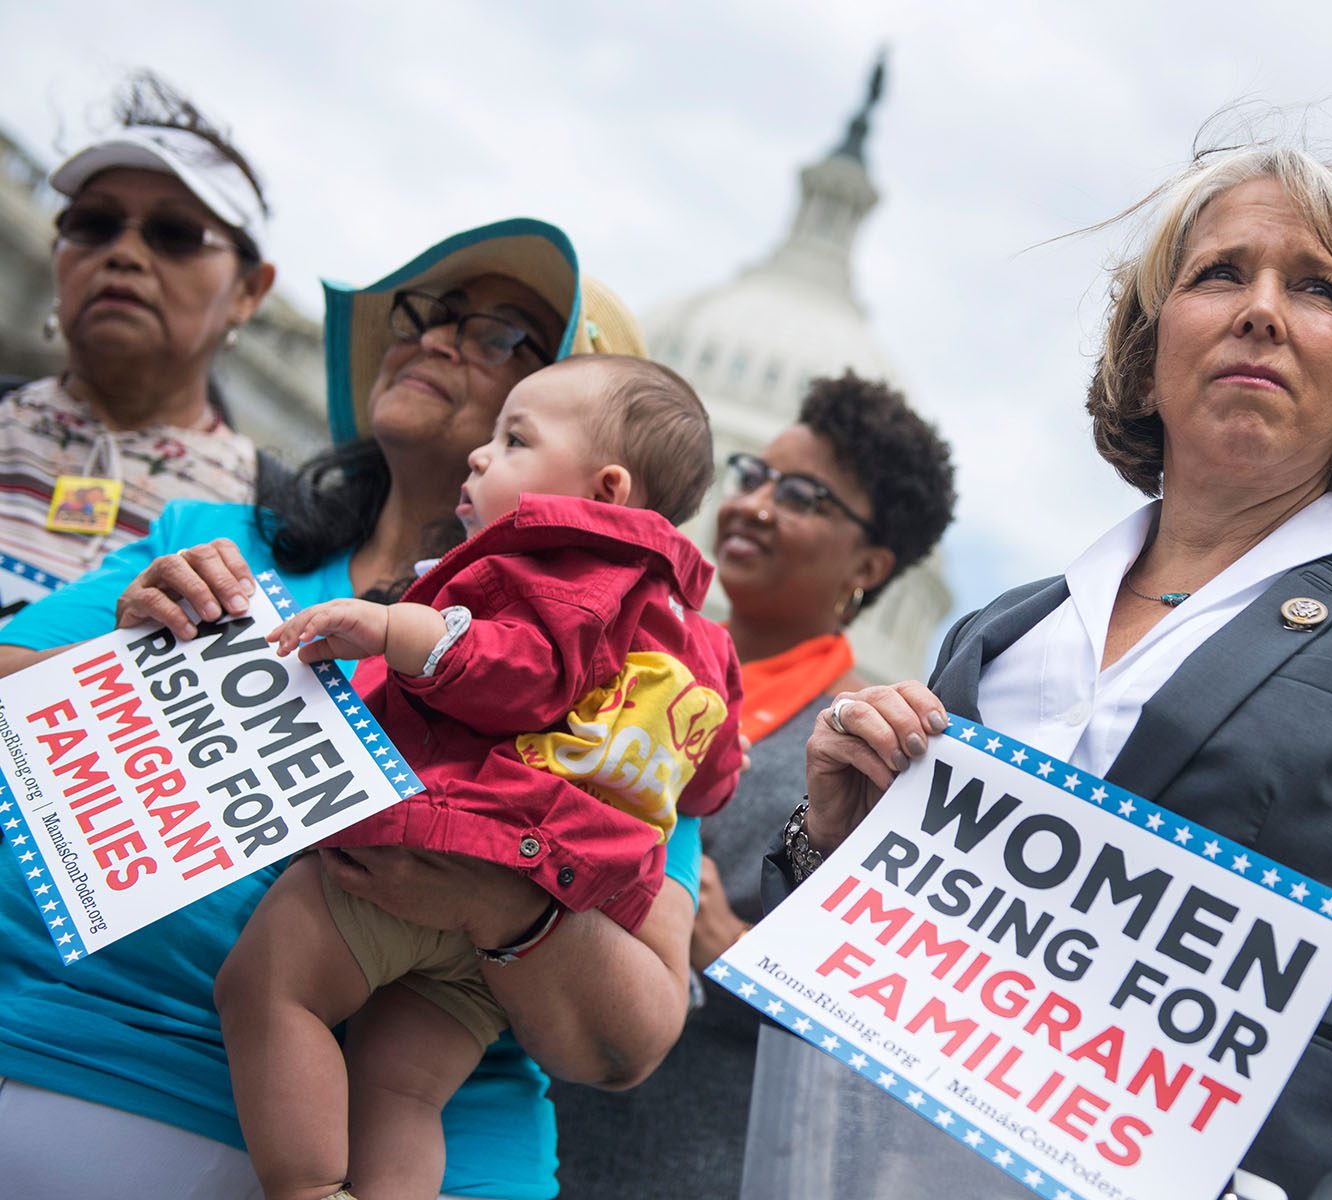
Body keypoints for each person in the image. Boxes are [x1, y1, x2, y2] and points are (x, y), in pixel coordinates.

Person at [765, 143, 1332, 1200]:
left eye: (1316, 288)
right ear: (1149, 347)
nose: (1261, 311)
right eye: (1219, 274)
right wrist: (831, 842)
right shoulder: (1000, 635)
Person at [0, 220, 699, 1200]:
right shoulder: (207, 540)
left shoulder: (632, 674)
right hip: (67, 1056)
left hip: (429, 1149)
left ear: (604, 473)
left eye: (504, 335)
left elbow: (630, 1040)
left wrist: (493, 895)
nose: (439, 339)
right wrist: (120, 651)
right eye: (426, 312)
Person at [218, 353, 744, 1200]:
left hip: (435, 841)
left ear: (606, 491)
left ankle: (310, 1187)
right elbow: (712, 779)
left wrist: (396, 628)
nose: (479, 454)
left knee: (269, 990)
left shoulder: (557, 569)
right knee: (401, 1085)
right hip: (546, 916)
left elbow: (521, 673)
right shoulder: (706, 646)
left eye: (515, 438)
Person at [552, 371, 956, 1199]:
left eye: (804, 496)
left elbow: (868, 1021)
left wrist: (724, 942)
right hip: (508, 1107)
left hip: (672, 1160)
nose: (756, 506)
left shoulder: (877, 756)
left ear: (870, 565)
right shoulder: (630, 653)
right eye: (755, 476)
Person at [0, 72, 276, 619]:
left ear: (248, 291)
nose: (123, 253)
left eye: (174, 234)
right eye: (93, 223)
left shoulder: (276, 527)